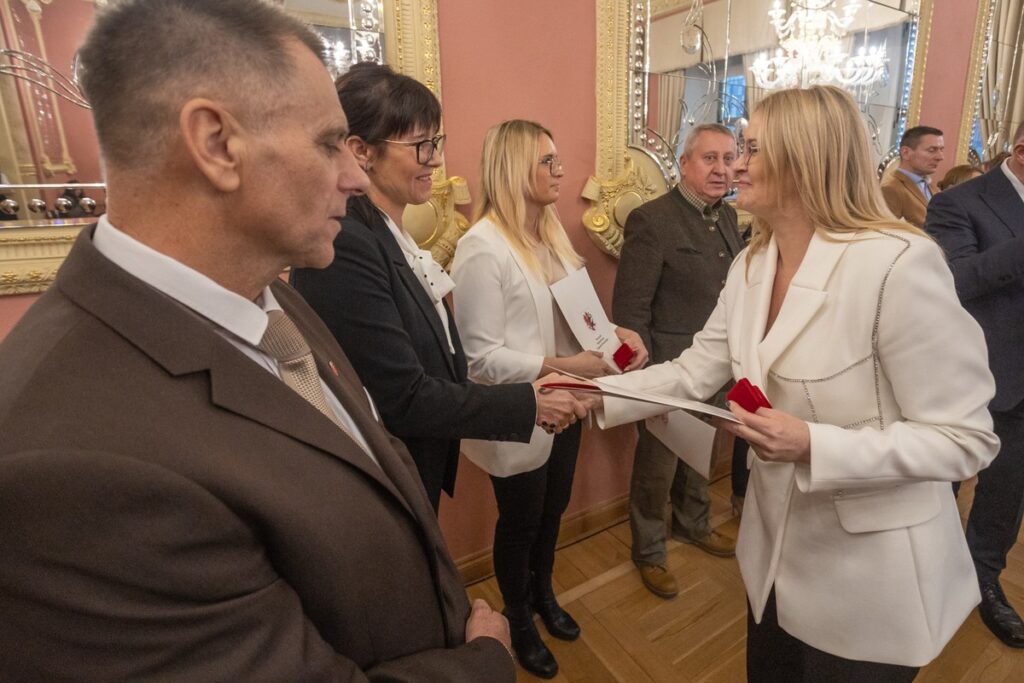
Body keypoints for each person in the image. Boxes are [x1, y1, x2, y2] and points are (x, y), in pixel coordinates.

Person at [0, 0, 515, 679]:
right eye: (330, 142)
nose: (355, 175)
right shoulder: (64, 469)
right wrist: (483, 664)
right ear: (216, 142)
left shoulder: (268, 293)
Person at [585, 87, 998, 680]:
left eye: (751, 148)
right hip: (772, 562)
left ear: (806, 159)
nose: (736, 164)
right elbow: (692, 372)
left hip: (871, 580)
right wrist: (594, 395)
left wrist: (814, 445)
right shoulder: (751, 263)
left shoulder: (898, 263)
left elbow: (965, 439)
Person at [291, 63, 584, 511]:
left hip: (418, 456)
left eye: (436, 143)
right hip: (385, 472)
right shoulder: (348, 243)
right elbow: (402, 396)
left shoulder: (388, 234)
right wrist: (529, 404)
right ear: (361, 151)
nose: (435, 160)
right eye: (421, 146)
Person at [451, 119, 648, 679]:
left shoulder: (551, 236)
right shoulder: (481, 248)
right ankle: (516, 618)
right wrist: (563, 366)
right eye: (548, 161)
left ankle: (543, 593)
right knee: (520, 521)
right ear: (515, 168)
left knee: (554, 509)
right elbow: (478, 358)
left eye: (558, 159)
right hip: (518, 412)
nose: (561, 170)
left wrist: (616, 338)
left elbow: (580, 321)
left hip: (569, 403)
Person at [612, 122, 742, 601]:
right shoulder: (652, 220)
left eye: (729, 159)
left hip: (717, 367)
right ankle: (648, 550)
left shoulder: (727, 217)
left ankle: (694, 524)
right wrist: (645, 386)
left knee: (701, 452)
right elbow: (629, 312)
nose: (721, 169)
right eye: (709, 158)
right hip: (667, 369)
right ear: (684, 164)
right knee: (657, 467)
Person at [925, 121, 1024, 649]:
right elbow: (958, 281)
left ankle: (983, 580)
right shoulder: (959, 203)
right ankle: (930, 577)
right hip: (974, 377)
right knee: (941, 486)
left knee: (1007, 495)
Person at [880, 125, 944, 227]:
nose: (940, 157)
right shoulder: (890, 188)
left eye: (941, 150)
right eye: (932, 150)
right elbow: (887, 232)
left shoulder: (933, 188)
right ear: (906, 153)